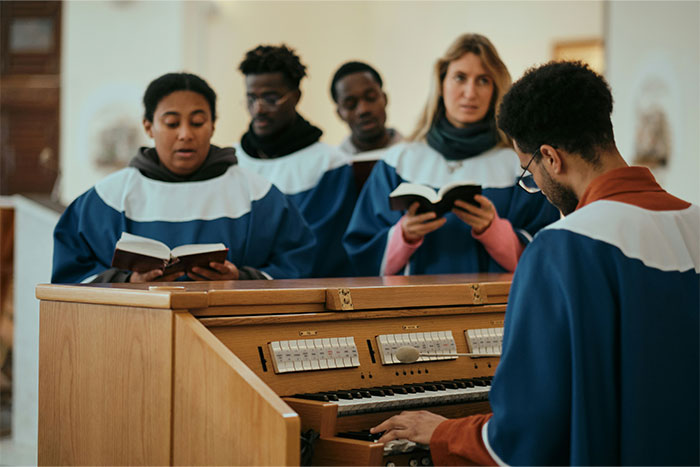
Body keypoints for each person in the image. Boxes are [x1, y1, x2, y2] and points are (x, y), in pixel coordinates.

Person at [371, 61, 699, 465]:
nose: (535, 186)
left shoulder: (564, 247)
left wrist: (443, 432)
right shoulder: (695, 222)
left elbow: (528, 433)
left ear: (550, 157)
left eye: (529, 171)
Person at [52, 72, 316, 284]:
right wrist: (128, 281)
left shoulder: (258, 195)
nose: (185, 134)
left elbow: (299, 265)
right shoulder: (106, 199)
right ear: (149, 127)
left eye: (198, 122)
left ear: (213, 125)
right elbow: (70, 276)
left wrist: (242, 278)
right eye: (172, 123)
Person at [343, 34, 559, 276]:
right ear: (441, 82)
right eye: (460, 77)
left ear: (496, 88)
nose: (469, 92)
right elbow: (360, 254)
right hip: (413, 308)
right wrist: (403, 236)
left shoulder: (520, 165)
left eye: (483, 80)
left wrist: (494, 231)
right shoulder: (398, 162)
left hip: (497, 310)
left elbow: (547, 257)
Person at [236, 44, 356, 278]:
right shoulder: (231, 161)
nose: (258, 109)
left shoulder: (330, 164)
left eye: (271, 98)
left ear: (296, 96)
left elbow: (312, 249)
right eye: (251, 98)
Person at [330, 61, 402, 155]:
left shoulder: (419, 154)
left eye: (371, 97)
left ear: (385, 99)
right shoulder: (333, 166)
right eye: (350, 104)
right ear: (339, 113)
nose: (363, 110)